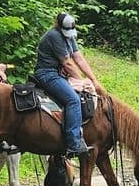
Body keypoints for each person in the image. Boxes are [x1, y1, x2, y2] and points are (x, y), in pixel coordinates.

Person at [34, 13, 101, 157]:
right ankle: (73, 143)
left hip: (60, 74)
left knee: (83, 92)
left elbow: (78, 58)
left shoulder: (69, 36)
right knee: (73, 99)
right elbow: (67, 63)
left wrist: (93, 79)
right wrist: (81, 81)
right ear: (59, 26)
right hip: (48, 74)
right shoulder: (54, 36)